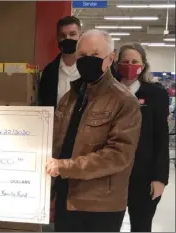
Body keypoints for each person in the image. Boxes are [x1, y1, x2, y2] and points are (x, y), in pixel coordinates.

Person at [45, 29, 142, 232]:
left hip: (100, 206)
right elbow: (56, 140)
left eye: (96, 55)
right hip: (66, 198)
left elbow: (117, 156)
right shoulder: (70, 97)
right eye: (82, 55)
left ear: (110, 58)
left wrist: (64, 167)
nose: (88, 60)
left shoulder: (124, 101)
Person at [117, 43, 170, 232]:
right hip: (112, 174)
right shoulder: (109, 92)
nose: (129, 65)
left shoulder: (156, 94)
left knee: (141, 226)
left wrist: (160, 178)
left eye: (134, 61)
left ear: (143, 64)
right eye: (125, 62)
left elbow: (161, 138)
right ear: (116, 65)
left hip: (144, 175)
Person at [38, 16, 81, 107]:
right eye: (63, 36)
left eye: (72, 34)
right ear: (58, 39)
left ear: (80, 36)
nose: (67, 38)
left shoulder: (89, 69)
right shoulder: (48, 72)